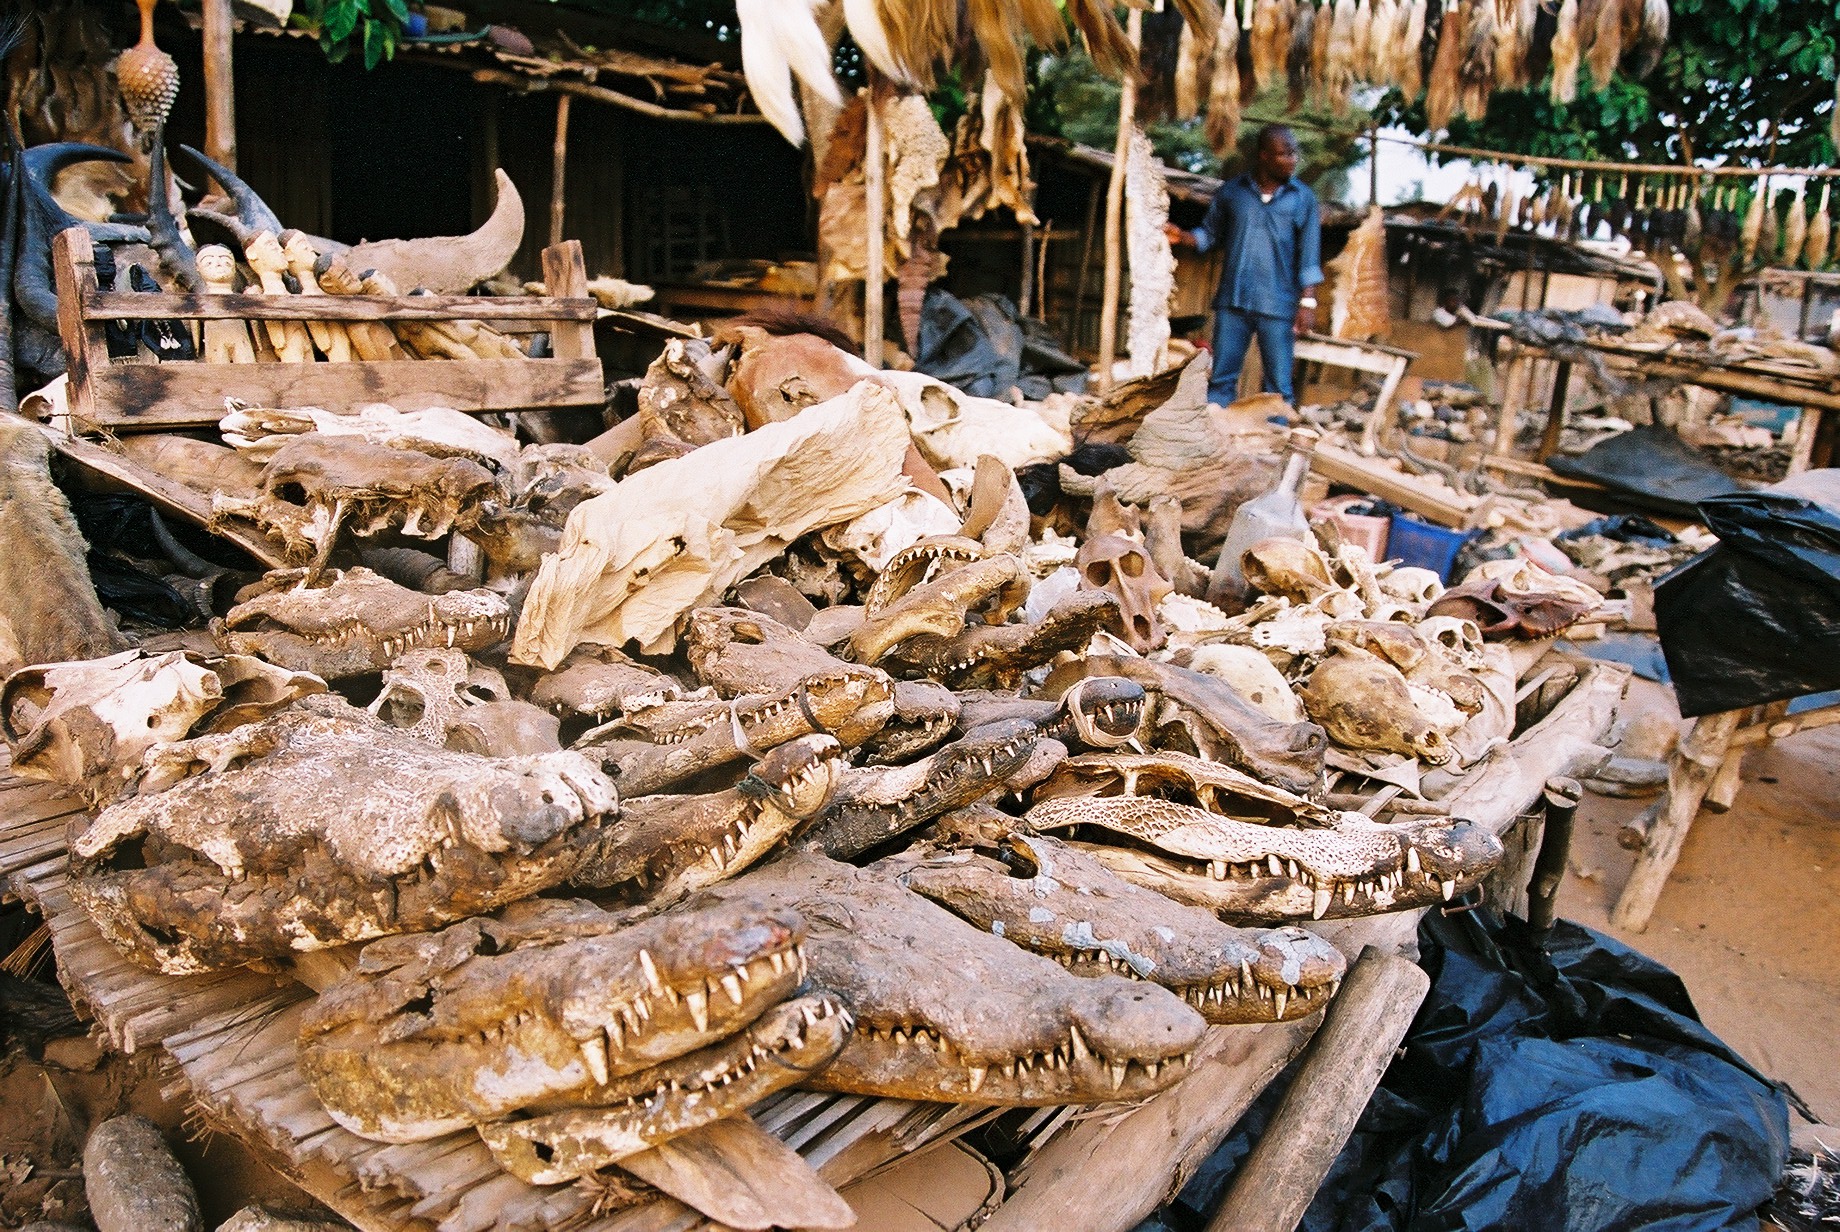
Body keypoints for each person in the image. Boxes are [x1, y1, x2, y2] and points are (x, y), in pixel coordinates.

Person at [1164, 124, 1323, 407]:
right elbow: (1210, 233)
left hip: (1278, 305)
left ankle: (1277, 433)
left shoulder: (1303, 199)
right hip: (1233, 301)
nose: (1293, 160)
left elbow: (1309, 254)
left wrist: (1307, 302)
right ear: (1264, 156)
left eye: (1294, 153)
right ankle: (1216, 427)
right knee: (1221, 381)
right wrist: (1184, 237)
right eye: (1285, 154)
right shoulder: (1232, 193)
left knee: (1279, 387)